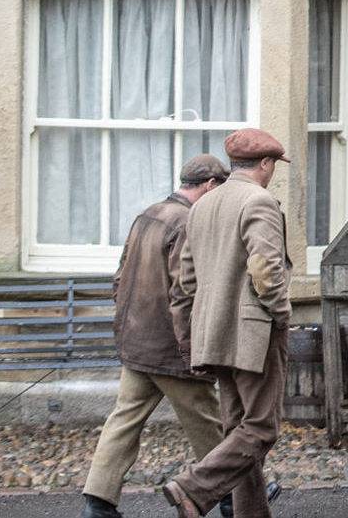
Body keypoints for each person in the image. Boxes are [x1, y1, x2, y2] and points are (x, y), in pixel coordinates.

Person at [79, 155, 229, 518]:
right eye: (219, 189)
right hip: (169, 347)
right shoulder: (186, 222)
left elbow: (119, 278)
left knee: (124, 419)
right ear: (209, 186)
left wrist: (128, 323)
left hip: (136, 341)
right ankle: (234, 493)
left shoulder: (149, 213)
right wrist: (193, 348)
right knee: (207, 420)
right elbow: (185, 292)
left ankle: (97, 504)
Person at [163, 129, 292, 518]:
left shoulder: (204, 204)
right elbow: (267, 269)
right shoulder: (260, 201)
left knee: (239, 431)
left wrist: (190, 331)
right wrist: (281, 313)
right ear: (266, 164)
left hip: (213, 332)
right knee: (261, 429)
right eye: (274, 166)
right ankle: (193, 487)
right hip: (254, 333)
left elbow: (185, 281)